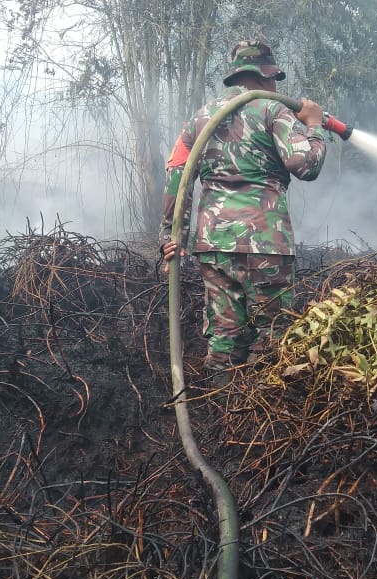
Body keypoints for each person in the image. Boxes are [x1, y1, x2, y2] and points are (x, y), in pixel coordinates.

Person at [160, 40, 328, 378]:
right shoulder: (272, 110)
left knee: (223, 330)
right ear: (268, 76)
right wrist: (314, 124)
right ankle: (261, 409)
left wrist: (170, 235)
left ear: (238, 75)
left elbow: (178, 176)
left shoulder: (200, 118)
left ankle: (218, 400)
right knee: (273, 331)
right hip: (264, 242)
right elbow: (306, 165)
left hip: (213, 242)